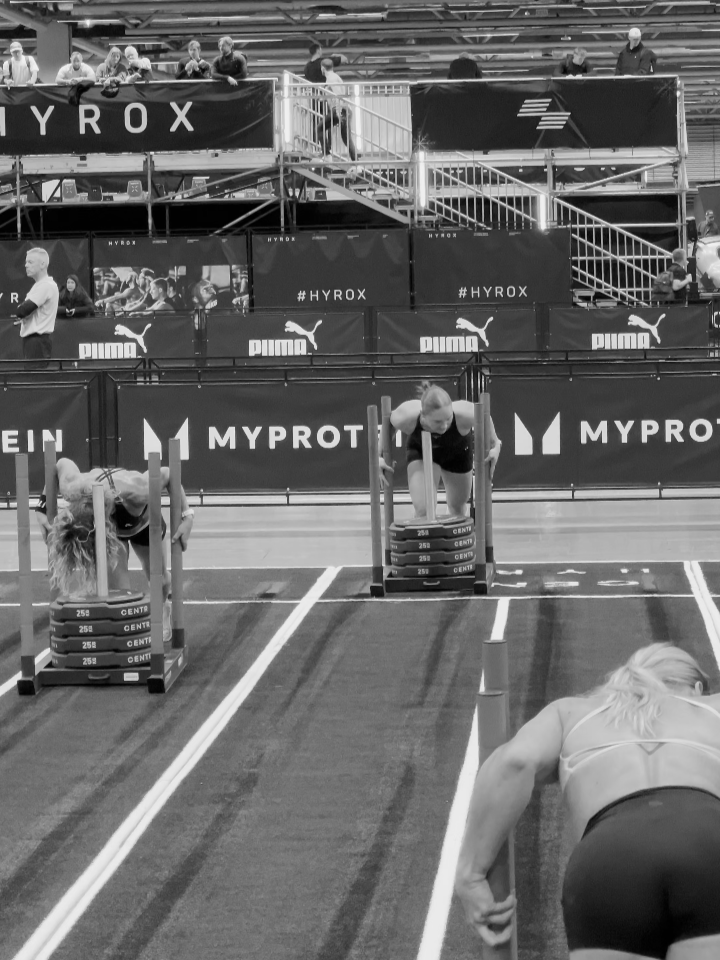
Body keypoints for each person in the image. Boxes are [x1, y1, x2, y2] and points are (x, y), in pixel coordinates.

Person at [455, 643, 720, 958]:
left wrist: (470, 873)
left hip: (610, 860)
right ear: (697, 688)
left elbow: (514, 762)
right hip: (708, 845)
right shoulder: (712, 708)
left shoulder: (571, 713)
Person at [36, 458, 195, 643]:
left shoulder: (138, 490)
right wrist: (41, 507)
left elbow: (169, 474)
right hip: (111, 533)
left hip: (144, 525)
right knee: (119, 594)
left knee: (158, 578)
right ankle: (121, 640)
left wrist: (187, 516)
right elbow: (61, 463)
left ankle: (163, 608)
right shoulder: (72, 487)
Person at [382, 382, 501, 519]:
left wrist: (495, 445)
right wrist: (379, 456)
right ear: (423, 416)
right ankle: (424, 538)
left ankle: (449, 538)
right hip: (421, 452)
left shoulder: (465, 413)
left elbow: (486, 418)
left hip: (457, 453)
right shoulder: (407, 415)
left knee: (457, 509)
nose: (444, 426)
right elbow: (389, 424)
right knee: (424, 510)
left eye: (448, 419)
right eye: (438, 422)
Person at [15, 247, 59, 364]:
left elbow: (22, 311)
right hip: (36, 342)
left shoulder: (45, 285)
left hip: (37, 343)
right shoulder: (42, 285)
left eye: (30, 262)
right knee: (35, 378)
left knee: (34, 379)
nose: (26, 265)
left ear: (42, 264)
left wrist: (21, 312)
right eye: (26, 262)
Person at [320, 58, 359, 160]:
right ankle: (356, 163)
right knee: (346, 139)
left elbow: (338, 95)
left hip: (340, 110)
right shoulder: (335, 77)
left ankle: (327, 154)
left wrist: (338, 113)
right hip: (344, 109)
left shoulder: (331, 78)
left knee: (319, 129)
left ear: (322, 69)